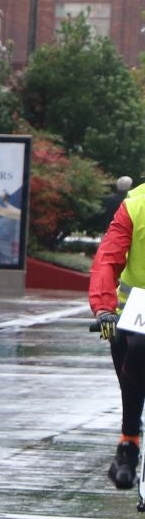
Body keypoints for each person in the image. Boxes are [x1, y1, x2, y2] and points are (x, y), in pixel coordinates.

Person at [90, 177, 145, 489]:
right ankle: (128, 443)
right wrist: (103, 309)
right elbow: (107, 260)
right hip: (132, 310)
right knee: (132, 350)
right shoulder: (135, 205)